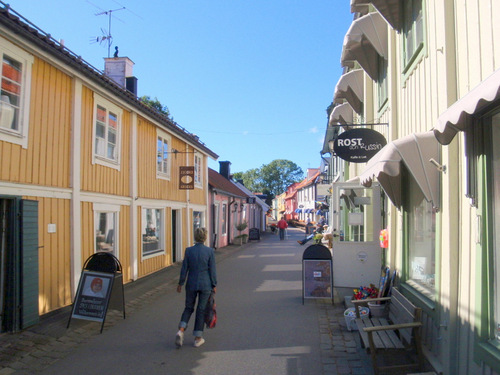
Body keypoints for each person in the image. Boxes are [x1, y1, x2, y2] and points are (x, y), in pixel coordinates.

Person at [175, 227, 217, 348]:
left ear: (195, 236)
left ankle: (181, 330)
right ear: (205, 237)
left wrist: (180, 283)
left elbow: (184, 269)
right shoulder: (209, 251)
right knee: (201, 310)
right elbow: (212, 270)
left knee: (188, 307)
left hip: (191, 283)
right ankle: (198, 338)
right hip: (206, 284)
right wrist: (214, 284)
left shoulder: (189, 251)